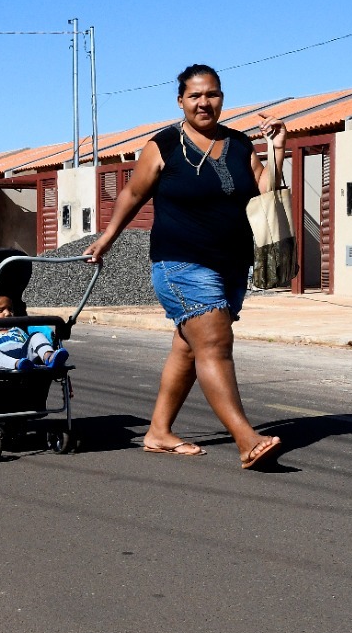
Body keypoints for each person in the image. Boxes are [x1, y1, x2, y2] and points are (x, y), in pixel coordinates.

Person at [84, 64, 283, 469]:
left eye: (212, 94)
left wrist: (277, 148)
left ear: (222, 98)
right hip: (181, 264)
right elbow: (133, 194)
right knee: (214, 344)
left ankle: (158, 431)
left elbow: (267, 189)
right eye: (195, 96)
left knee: (189, 347)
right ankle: (247, 440)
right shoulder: (164, 145)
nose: (204, 102)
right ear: (180, 101)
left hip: (232, 265)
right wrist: (107, 238)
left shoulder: (240, 144)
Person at [0, 295, 69, 371]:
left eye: (10, 309)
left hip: (25, 355)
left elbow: (34, 337)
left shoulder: (18, 327)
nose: (7, 313)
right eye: (1, 310)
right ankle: (17, 364)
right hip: (2, 358)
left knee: (37, 335)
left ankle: (49, 357)